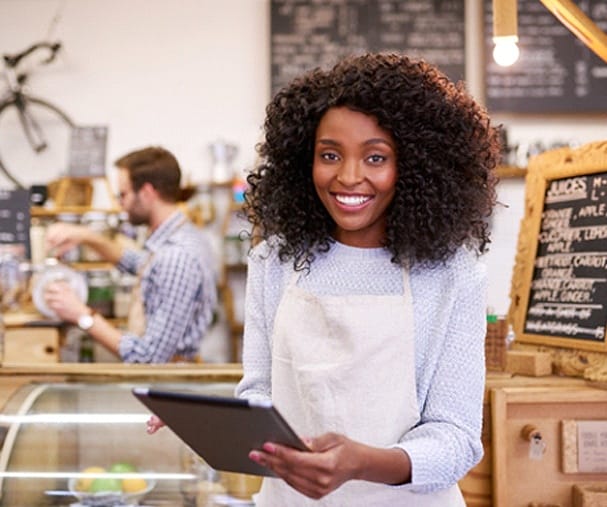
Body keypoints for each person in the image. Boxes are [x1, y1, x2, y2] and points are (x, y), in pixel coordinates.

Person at [148, 52, 500, 504]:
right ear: (302, 160)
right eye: (329, 155)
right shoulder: (274, 261)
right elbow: (261, 392)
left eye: (376, 157)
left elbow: (456, 437)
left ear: (415, 166)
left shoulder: (452, 274)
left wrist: (364, 462)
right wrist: (209, 420)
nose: (349, 177)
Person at [43, 146, 217, 363]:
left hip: (168, 386)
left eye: (123, 194)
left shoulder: (176, 256)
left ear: (146, 192)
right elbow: (138, 264)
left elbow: (148, 358)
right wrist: (86, 236)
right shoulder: (175, 238)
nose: (119, 203)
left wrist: (81, 315)